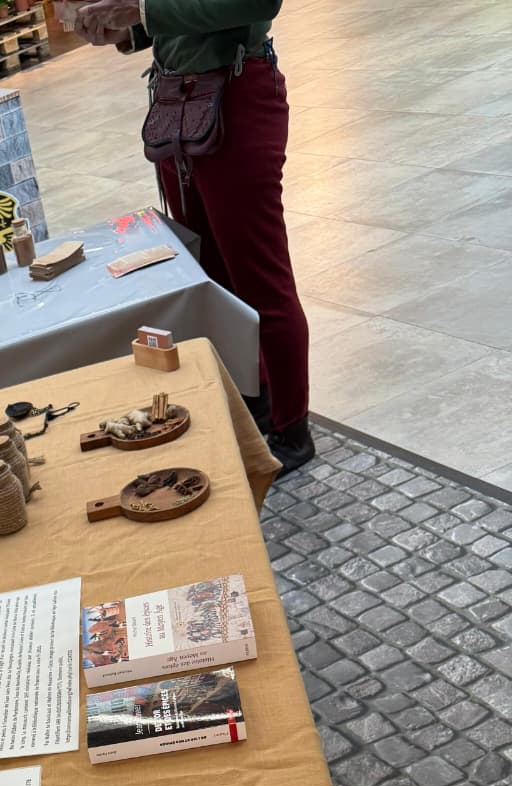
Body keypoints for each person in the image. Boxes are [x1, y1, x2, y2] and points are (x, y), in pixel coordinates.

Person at [75, 0, 313, 476]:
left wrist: (142, 10)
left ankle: (291, 428)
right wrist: (130, 30)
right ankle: (257, 399)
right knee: (211, 276)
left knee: (260, 278)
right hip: (179, 103)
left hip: (234, 95)